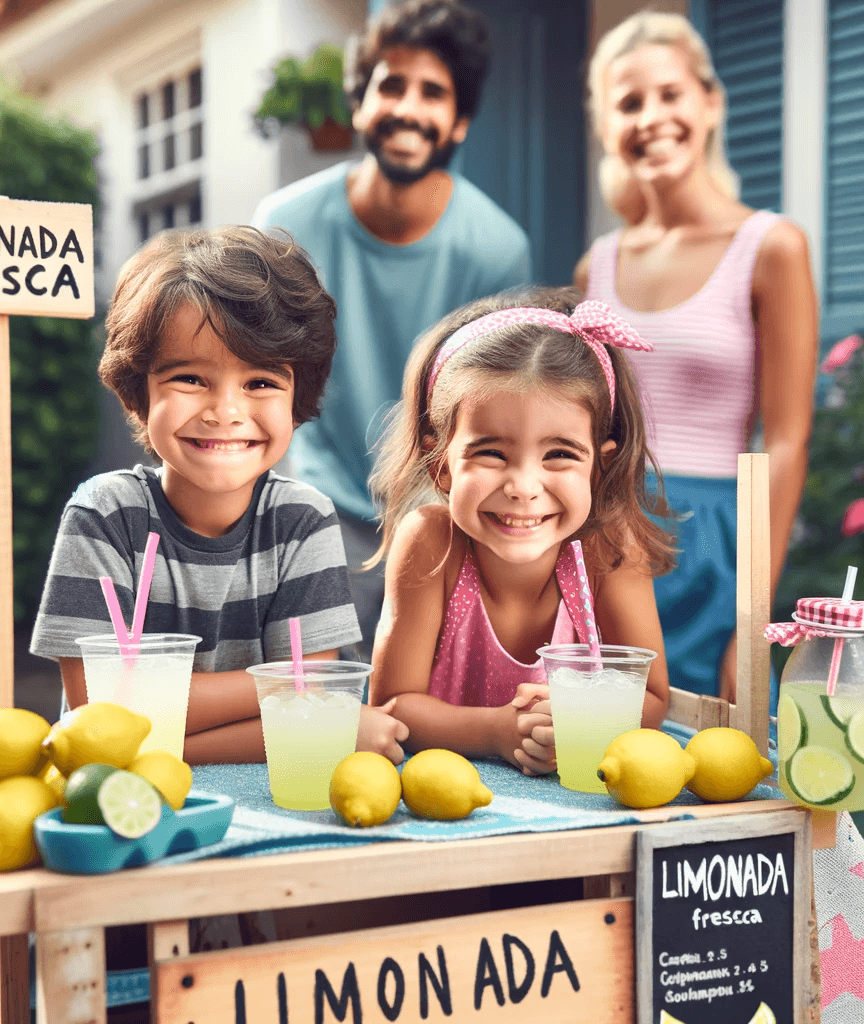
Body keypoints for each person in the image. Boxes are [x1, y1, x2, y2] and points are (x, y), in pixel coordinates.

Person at [30, 225, 408, 765]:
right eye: (189, 377)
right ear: (139, 391)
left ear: (298, 394)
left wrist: (162, 729)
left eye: (259, 383)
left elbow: (315, 693)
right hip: (118, 803)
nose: (225, 412)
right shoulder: (103, 517)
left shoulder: (304, 520)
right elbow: (97, 709)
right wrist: (296, 706)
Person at [252, 0, 531, 655]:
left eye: (433, 92)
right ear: (360, 104)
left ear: (459, 122)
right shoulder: (286, 223)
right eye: (391, 85)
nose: (408, 106)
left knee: (422, 713)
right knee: (319, 704)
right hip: (316, 498)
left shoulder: (496, 248)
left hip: (438, 504)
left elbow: (498, 401)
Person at [575, 11, 818, 705]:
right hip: (605, 532)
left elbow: (788, 438)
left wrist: (752, 615)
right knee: (603, 747)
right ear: (606, 128)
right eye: (628, 103)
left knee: (722, 751)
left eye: (670, 94)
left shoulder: (772, 247)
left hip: (716, 547)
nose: (651, 117)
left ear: (710, 103)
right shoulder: (599, 264)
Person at [367, 288, 675, 771]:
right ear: (441, 467)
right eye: (491, 453)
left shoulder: (607, 547)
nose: (523, 487)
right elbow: (393, 704)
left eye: (559, 455)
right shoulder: (430, 542)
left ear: (599, 466)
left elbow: (654, 697)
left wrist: (587, 723)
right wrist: (497, 732)